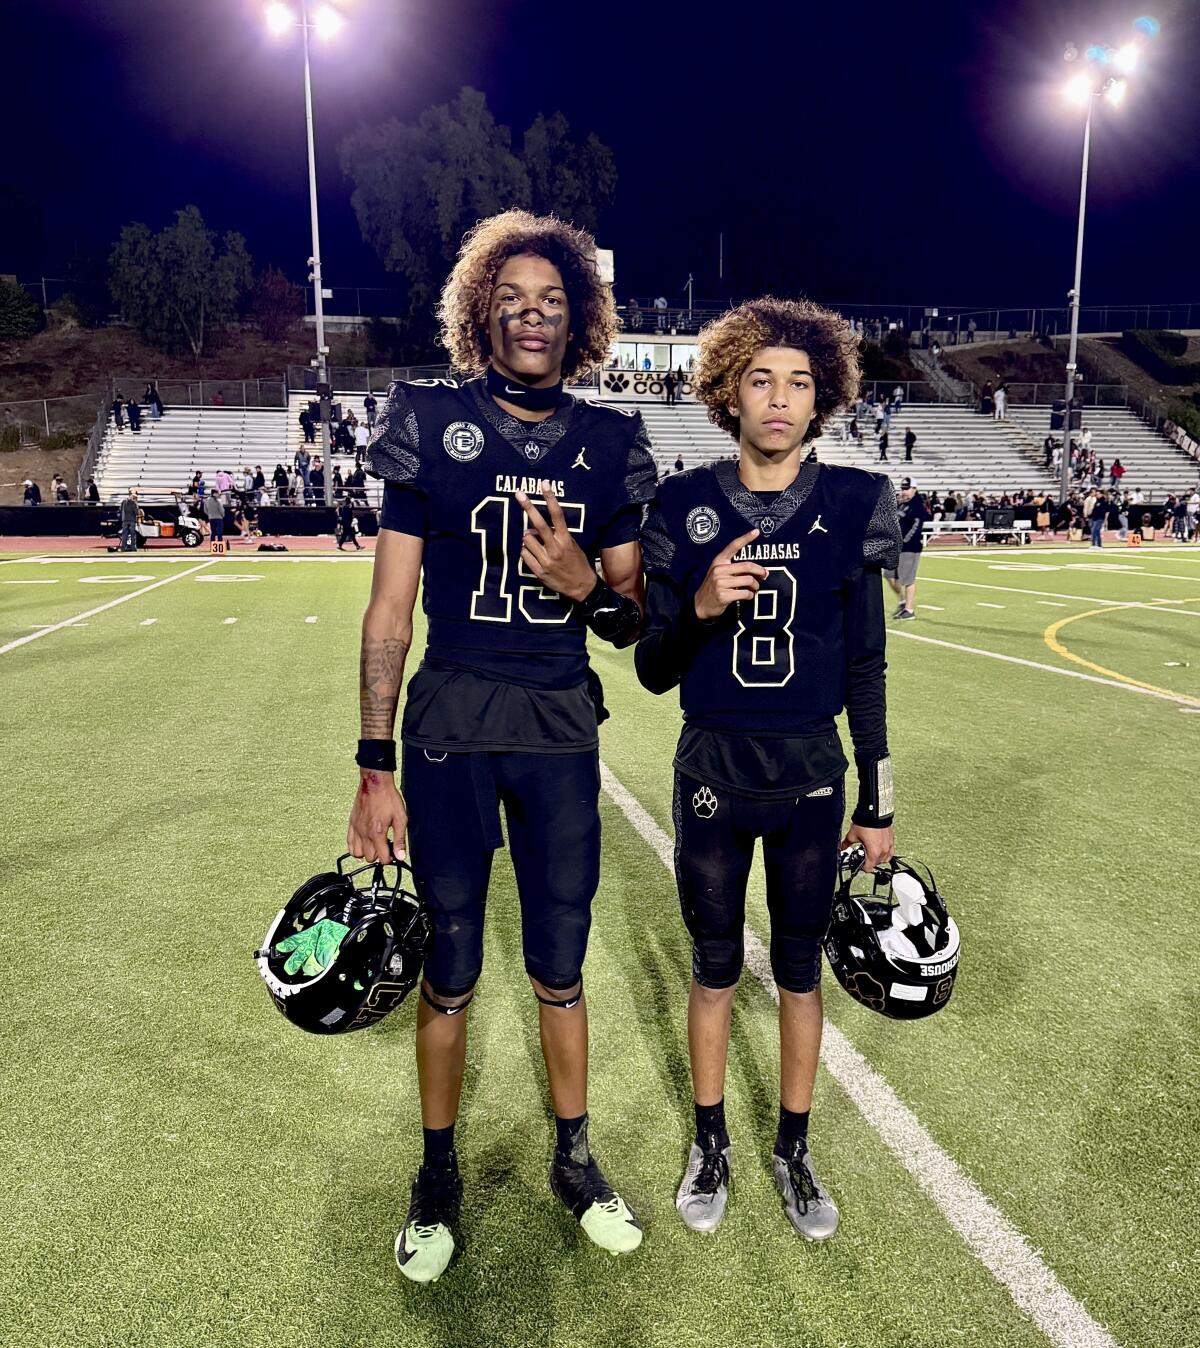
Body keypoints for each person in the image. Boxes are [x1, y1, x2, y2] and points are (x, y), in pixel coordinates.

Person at [348, 210, 655, 1284]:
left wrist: (588, 587)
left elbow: (633, 621)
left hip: (560, 730)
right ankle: (437, 1175)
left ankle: (575, 1157)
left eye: (554, 301)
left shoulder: (611, 442)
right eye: (513, 299)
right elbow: (390, 610)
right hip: (446, 733)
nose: (533, 315)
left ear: (581, 324)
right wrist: (370, 762)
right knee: (452, 968)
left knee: (559, 966)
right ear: (483, 313)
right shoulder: (429, 421)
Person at [634, 296, 901, 1243]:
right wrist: (701, 604)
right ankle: (711, 1140)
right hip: (711, 763)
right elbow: (653, 668)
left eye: (798, 382)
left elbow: (867, 665)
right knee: (712, 971)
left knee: (797, 973)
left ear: (822, 395)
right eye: (761, 380)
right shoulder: (681, 506)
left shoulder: (858, 500)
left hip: (812, 777)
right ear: (727, 393)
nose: (780, 399)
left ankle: (793, 1146)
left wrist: (878, 796)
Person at [886, 478, 927, 618]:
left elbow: (916, 526)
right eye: (903, 488)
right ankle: (902, 602)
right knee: (889, 575)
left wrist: (904, 541)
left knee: (907, 579)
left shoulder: (917, 505)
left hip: (910, 547)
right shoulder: (902, 504)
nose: (904, 491)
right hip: (896, 547)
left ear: (914, 489)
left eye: (907, 488)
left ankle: (909, 610)